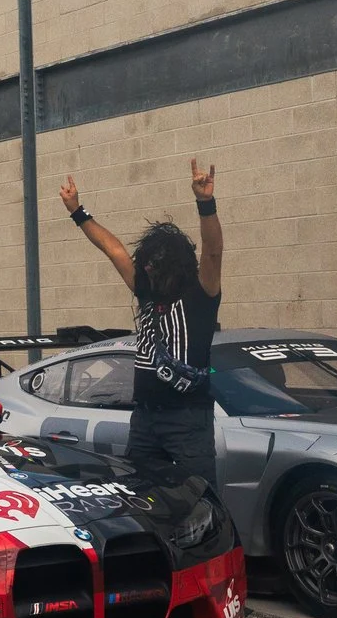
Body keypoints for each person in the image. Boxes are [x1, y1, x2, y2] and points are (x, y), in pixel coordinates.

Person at [61, 160, 225, 490]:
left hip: (187, 419)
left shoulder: (200, 293)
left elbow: (213, 252)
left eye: (155, 266)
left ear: (174, 265)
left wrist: (205, 203)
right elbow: (113, 248)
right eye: (146, 265)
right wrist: (77, 211)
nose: (148, 271)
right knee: (142, 494)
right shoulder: (146, 290)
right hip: (146, 418)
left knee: (198, 494)